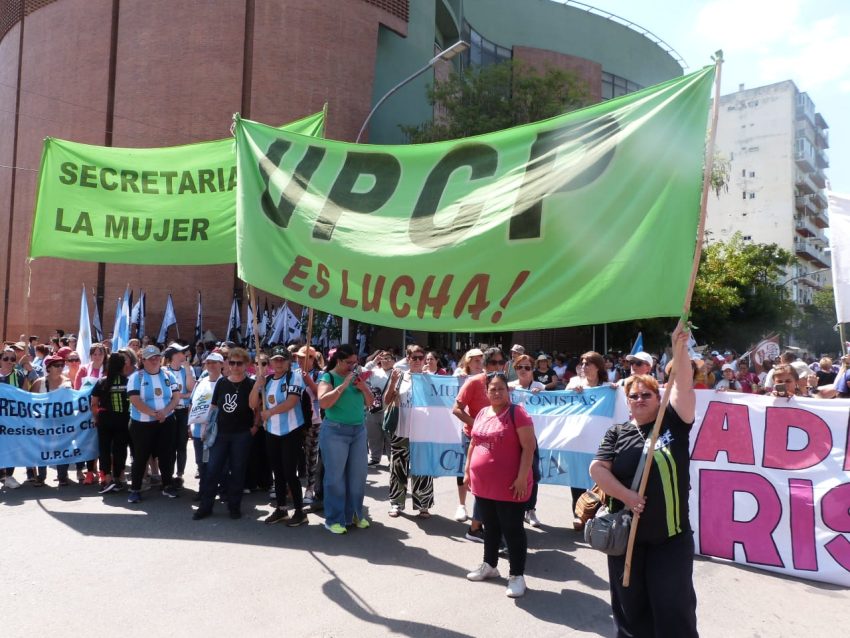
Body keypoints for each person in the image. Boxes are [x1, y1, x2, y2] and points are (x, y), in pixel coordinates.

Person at [590, 322, 698, 638]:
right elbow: (598, 469)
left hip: (670, 539)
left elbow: (683, 384)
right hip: (626, 540)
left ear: (658, 396)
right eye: (633, 395)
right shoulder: (617, 433)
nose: (639, 399)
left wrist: (678, 346)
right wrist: (626, 496)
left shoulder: (674, 424)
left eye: (646, 394)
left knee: (672, 609)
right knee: (629, 611)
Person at [464, 372, 536, 598]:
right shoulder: (483, 413)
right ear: (486, 392)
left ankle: (517, 576)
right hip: (483, 484)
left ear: (508, 391)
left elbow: (529, 447)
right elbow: (474, 442)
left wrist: (522, 477)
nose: (496, 392)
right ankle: (490, 565)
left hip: (511, 485)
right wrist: (467, 470)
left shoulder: (518, 413)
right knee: (490, 527)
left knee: (512, 530)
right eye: (492, 389)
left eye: (500, 389)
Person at [316, 344, 374, 534]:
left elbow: (370, 402)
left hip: (358, 431)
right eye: (349, 362)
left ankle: (354, 514)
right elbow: (324, 402)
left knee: (357, 476)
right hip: (335, 432)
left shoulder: (357, 376)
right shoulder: (328, 377)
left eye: (355, 362)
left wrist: (363, 387)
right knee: (335, 479)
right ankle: (334, 519)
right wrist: (343, 385)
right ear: (339, 361)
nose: (353, 365)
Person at [193, 348, 257, 520]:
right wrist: (207, 425)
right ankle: (206, 506)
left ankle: (234, 506)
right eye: (232, 362)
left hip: (242, 434)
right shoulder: (222, 383)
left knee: (237, 471)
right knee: (213, 469)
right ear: (228, 364)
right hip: (220, 433)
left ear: (246, 365)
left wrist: (255, 426)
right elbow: (214, 406)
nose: (235, 366)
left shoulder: (251, 384)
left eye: (239, 363)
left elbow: (256, 407)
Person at [453, 347, 508, 538]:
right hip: (474, 438)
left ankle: (480, 525)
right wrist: (477, 425)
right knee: (481, 482)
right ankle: (475, 527)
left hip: (498, 440)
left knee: (490, 482)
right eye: (493, 363)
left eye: (501, 363)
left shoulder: (504, 384)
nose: (497, 366)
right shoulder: (474, 382)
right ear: (485, 365)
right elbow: (457, 409)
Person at [252, 346, 308, 527]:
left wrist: (269, 413)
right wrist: (256, 385)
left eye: (282, 360)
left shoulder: (295, 376)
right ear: (270, 362)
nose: (278, 363)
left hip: (291, 430)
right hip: (272, 432)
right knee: (278, 471)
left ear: (288, 361)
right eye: (275, 360)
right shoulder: (266, 380)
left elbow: (292, 402)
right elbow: (252, 403)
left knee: (290, 472)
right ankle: (281, 509)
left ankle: (300, 511)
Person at [126, 345, 182, 504]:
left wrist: (165, 412)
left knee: (167, 455)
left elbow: (176, 397)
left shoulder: (168, 375)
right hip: (142, 423)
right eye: (150, 357)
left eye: (157, 356)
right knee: (141, 456)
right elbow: (135, 400)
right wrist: (154, 414)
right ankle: (135, 489)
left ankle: (167, 485)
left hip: (166, 420)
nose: (155, 359)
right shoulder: (136, 377)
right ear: (143, 360)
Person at [383, 345, 434, 518]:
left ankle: (423, 505)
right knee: (398, 468)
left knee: (422, 469)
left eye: (421, 358)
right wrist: (392, 384)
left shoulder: (430, 378)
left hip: (423, 431)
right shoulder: (399, 376)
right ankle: (396, 503)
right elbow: (386, 400)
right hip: (401, 429)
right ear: (408, 358)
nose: (419, 361)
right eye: (415, 358)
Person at [508, 353, 544, 528]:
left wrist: (540, 394)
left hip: (533, 438)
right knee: (514, 472)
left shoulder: (540, 386)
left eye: (527, 367)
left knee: (533, 474)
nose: (523, 370)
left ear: (533, 369)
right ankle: (516, 508)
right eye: (519, 367)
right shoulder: (509, 387)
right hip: (512, 437)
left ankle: (531, 509)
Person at [90, 352, 131, 494]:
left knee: (104, 449)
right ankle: (117, 478)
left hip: (105, 420)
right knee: (120, 449)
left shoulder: (102, 382)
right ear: (123, 365)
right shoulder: (128, 381)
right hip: (123, 420)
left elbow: (94, 403)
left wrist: (96, 418)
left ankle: (107, 479)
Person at [31, 354, 74, 487]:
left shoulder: (67, 382)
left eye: (62, 365)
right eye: (57, 365)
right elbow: (30, 401)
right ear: (48, 368)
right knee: (42, 448)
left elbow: (72, 400)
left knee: (63, 446)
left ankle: (62, 476)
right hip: (44, 421)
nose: (60, 368)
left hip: (62, 421)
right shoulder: (39, 382)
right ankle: (41, 476)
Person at [187, 352, 224, 498]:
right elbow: (192, 403)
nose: (211, 365)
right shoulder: (201, 382)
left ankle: (217, 489)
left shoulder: (225, 383)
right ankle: (204, 490)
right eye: (208, 362)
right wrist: (189, 425)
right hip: (197, 430)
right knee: (201, 462)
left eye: (214, 362)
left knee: (216, 463)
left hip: (216, 430)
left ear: (222, 364)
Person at [163, 343, 196, 487]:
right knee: (169, 444)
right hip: (169, 411)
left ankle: (179, 474)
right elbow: (167, 394)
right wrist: (183, 395)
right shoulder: (164, 371)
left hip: (183, 411)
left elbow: (192, 390)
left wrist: (188, 369)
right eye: (182, 352)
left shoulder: (187, 370)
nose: (185, 354)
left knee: (181, 444)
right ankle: (168, 474)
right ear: (174, 356)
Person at [0, 347, 27, 489]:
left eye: (12, 359)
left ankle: (8, 475)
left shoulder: (19, 376)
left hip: (12, 419)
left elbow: (26, 396)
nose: (9, 362)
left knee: (12, 448)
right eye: (6, 359)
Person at [364, 350, 394, 466]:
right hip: (373, 409)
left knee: (390, 437)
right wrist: (374, 361)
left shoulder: (397, 372)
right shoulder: (374, 372)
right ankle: (375, 458)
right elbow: (363, 371)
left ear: (393, 360)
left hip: (390, 410)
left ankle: (392, 459)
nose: (386, 360)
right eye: (383, 358)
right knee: (373, 436)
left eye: (388, 358)